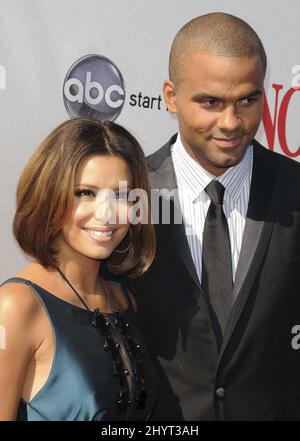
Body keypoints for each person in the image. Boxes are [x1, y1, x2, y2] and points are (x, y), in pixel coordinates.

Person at [133, 12, 300, 420]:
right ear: (170, 96)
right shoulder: (134, 195)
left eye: (248, 100)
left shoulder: (294, 190)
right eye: (210, 101)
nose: (231, 123)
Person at [0, 117, 157, 421]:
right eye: (86, 193)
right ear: (49, 195)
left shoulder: (122, 300)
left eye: (122, 195)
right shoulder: (16, 306)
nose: (107, 213)